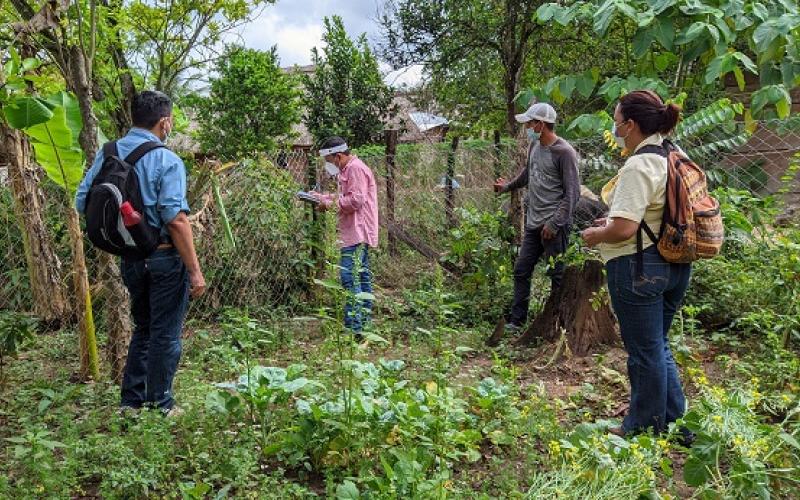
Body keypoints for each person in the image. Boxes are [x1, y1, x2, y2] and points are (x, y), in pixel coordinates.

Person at [76, 90, 205, 415]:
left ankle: (131, 403)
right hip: (164, 257)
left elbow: (83, 201)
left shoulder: (108, 153)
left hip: (130, 259)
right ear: (165, 122)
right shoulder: (167, 160)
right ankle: (161, 405)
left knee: (144, 328)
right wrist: (194, 270)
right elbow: (175, 220)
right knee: (165, 333)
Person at [580, 90, 689, 437]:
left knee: (644, 352)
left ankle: (641, 427)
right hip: (676, 263)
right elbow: (648, 216)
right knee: (658, 344)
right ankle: (677, 423)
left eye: (616, 124)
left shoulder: (639, 165)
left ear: (630, 125)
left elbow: (625, 228)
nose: (615, 130)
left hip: (640, 268)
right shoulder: (675, 156)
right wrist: (610, 224)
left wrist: (597, 236)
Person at [493, 102, 580, 333]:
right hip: (533, 223)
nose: (527, 128)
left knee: (556, 275)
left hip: (554, 225)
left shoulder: (564, 152)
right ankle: (517, 320)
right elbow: (528, 174)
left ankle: (558, 323)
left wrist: (554, 223)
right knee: (522, 269)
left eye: (530, 123)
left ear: (541, 125)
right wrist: (507, 187)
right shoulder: (534, 146)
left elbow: (572, 195)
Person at [311, 136, 379, 335]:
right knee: (362, 277)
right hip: (357, 231)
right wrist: (321, 197)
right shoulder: (350, 168)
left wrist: (328, 205)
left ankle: (354, 328)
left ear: (338, 156)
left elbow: (356, 200)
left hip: (357, 233)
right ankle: (364, 325)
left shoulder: (355, 169)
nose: (328, 166)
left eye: (329, 161)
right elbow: (347, 197)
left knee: (350, 278)